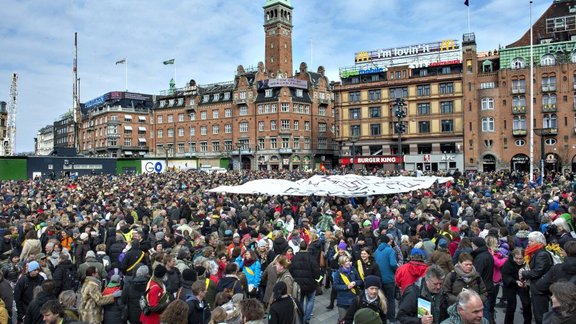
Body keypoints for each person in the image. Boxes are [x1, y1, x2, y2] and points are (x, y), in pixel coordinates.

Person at [519, 231, 554, 324]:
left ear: (539, 243)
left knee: (540, 315)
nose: (528, 243)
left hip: (540, 289)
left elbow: (536, 272)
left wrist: (524, 273)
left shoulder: (541, 254)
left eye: (531, 241)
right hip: (538, 287)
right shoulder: (536, 252)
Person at [290, 241, 321, 324]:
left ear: (300, 247)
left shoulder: (294, 258)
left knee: (300, 301)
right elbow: (316, 272)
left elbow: (291, 271)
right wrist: (316, 278)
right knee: (310, 300)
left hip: (298, 284)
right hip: (310, 284)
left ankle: (300, 317)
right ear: (307, 247)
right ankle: (306, 319)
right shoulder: (311, 258)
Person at [501, 248, 531, 324]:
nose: (518, 261)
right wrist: (515, 281)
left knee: (526, 303)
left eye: (520, 258)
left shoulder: (527, 261)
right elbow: (505, 275)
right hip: (511, 284)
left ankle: (527, 322)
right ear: (513, 257)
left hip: (523, 283)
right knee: (511, 305)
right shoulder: (508, 263)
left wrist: (525, 281)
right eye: (516, 258)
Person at [374, 235, 398, 323]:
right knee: (391, 299)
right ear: (388, 242)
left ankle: (382, 318)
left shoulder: (376, 251)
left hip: (379, 279)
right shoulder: (390, 250)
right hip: (389, 279)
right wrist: (396, 270)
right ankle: (391, 318)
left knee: (382, 299)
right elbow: (392, 264)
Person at [470, 237, 494, 322]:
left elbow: (476, 274)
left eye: (472, 244)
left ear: (476, 245)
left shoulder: (480, 257)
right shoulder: (486, 254)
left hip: (483, 288)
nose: (471, 246)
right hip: (488, 285)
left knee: (483, 312)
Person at [333, 255, 362, 321]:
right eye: (346, 261)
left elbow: (360, 280)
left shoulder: (353, 269)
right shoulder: (338, 273)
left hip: (354, 299)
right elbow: (335, 286)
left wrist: (355, 282)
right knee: (342, 319)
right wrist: (347, 287)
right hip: (343, 301)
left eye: (348, 261)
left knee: (354, 319)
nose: (348, 262)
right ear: (342, 263)